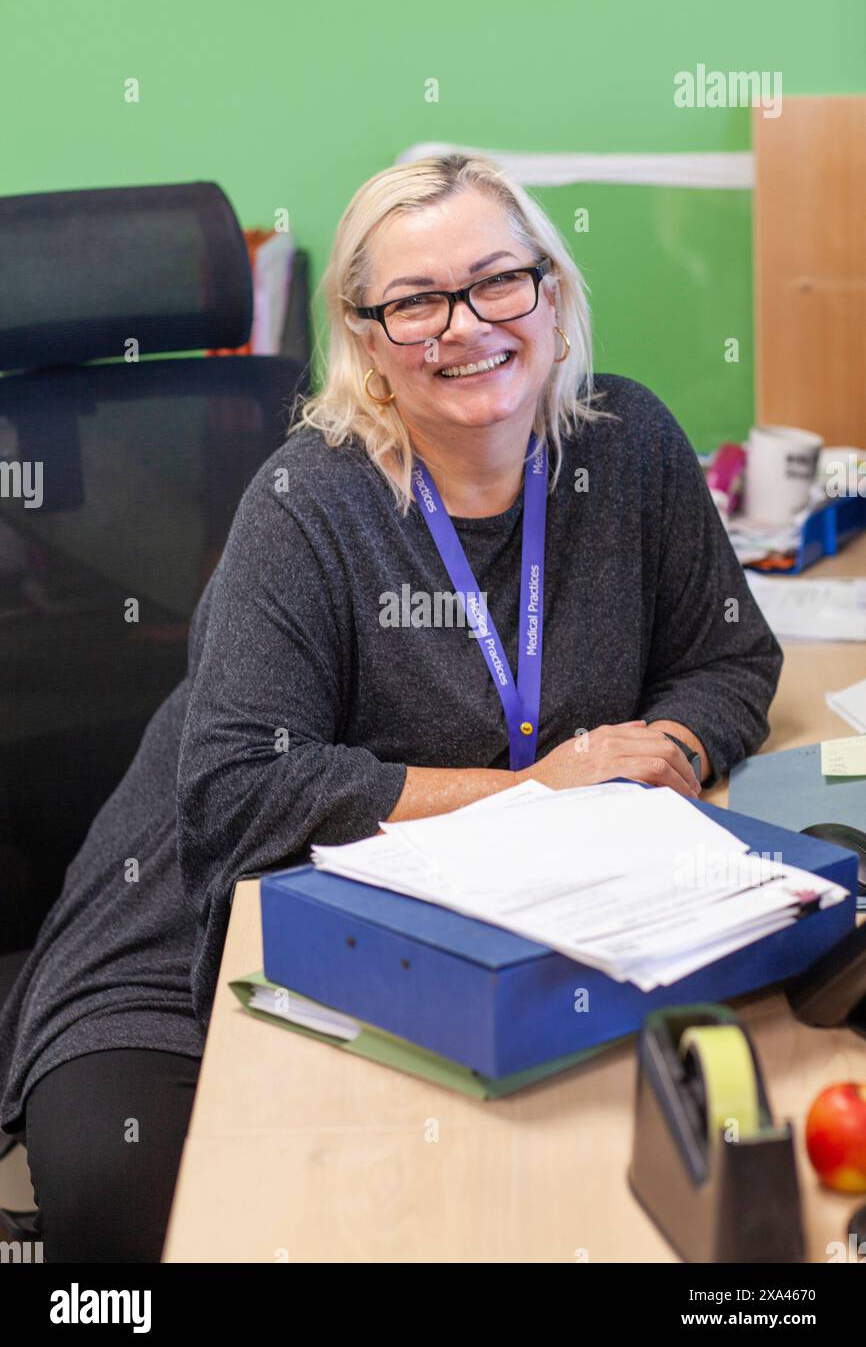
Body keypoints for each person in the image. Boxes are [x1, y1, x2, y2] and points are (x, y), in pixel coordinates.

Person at [0, 152, 783, 1262]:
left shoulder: (630, 449)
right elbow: (237, 793)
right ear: (369, 338)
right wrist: (531, 790)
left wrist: (660, 750)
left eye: (496, 281)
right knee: (150, 1217)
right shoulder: (308, 502)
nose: (463, 327)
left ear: (550, 297)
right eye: (415, 300)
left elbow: (728, 655)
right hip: (195, 938)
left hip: (495, 920)